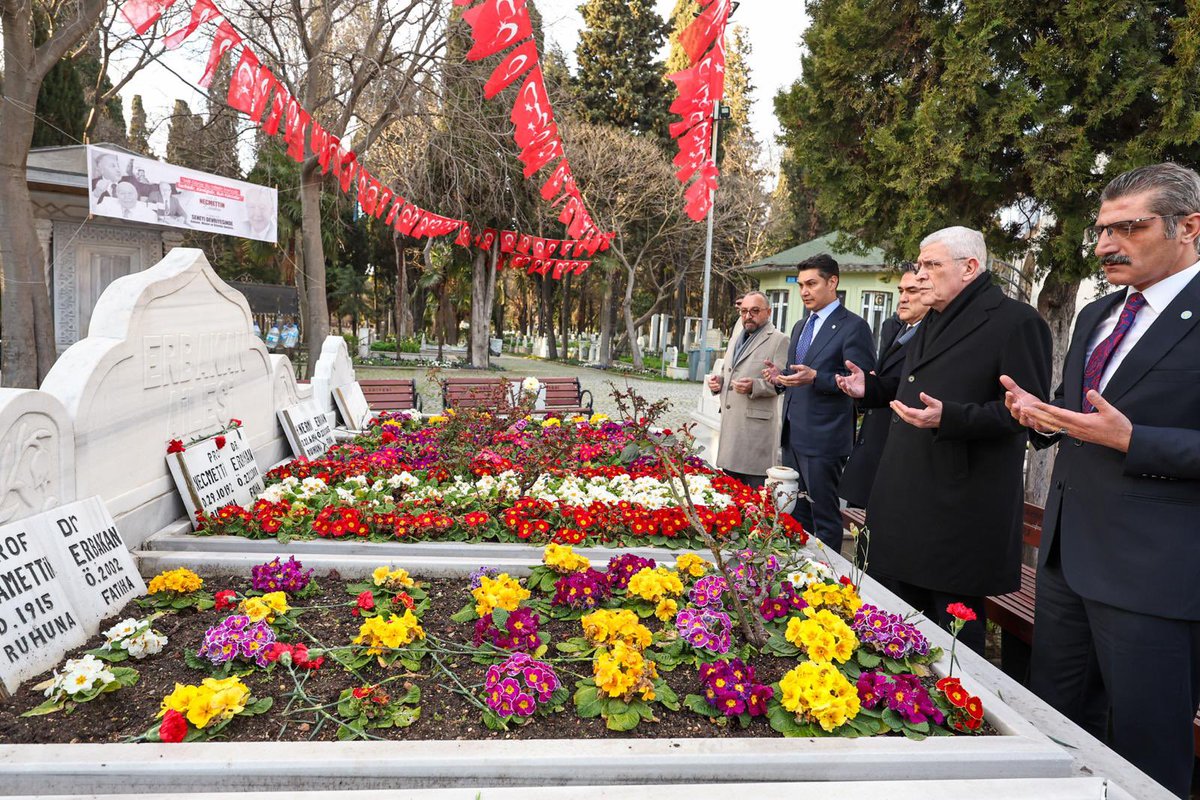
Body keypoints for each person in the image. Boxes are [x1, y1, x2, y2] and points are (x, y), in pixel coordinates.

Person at [1002, 162, 1200, 798]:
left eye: (1127, 228)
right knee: (1055, 730)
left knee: (1146, 750)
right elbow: (1082, 418)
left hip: (1153, 579)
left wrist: (1135, 441)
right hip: (1065, 560)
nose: (1104, 246)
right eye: (1101, 230)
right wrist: (1040, 418)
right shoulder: (1099, 314)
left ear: (1188, 227)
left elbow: (1119, 430)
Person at [836, 226, 1051, 654]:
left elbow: (1026, 414)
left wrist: (949, 417)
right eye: (920, 265)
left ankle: (961, 713)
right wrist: (872, 390)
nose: (919, 276)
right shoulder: (932, 317)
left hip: (960, 507)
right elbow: (913, 386)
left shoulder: (1016, 322)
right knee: (898, 619)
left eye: (931, 265)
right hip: (907, 496)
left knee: (953, 634)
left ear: (969, 267)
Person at [765, 254, 874, 552]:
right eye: (801, 285)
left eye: (811, 283)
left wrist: (818, 378)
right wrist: (780, 377)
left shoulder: (854, 327)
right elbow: (800, 374)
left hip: (825, 439)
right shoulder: (801, 326)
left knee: (823, 516)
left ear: (833, 282)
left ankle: (828, 581)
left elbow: (859, 382)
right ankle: (799, 574)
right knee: (795, 514)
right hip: (793, 435)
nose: (804, 291)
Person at [838, 266, 928, 511]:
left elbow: (911, 387)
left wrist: (873, 386)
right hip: (872, 448)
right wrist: (865, 386)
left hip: (895, 453)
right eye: (901, 290)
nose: (903, 298)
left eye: (912, 291)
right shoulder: (896, 328)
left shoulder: (931, 336)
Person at [704, 291, 791, 488]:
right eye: (744, 311)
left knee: (754, 495)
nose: (748, 315)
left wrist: (756, 385)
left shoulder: (779, 340)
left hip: (756, 436)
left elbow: (782, 382)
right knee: (729, 496)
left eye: (754, 310)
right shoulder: (736, 337)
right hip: (731, 431)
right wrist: (720, 382)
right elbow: (732, 373)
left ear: (768, 312)